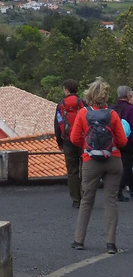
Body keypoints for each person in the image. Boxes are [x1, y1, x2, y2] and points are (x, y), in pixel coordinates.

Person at [70, 77, 128, 253]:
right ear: (105, 96)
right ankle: (111, 244)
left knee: (87, 200)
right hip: (113, 160)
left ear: (89, 95)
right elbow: (123, 141)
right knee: (111, 201)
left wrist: (87, 146)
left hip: (90, 161)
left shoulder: (83, 113)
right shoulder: (113, 115)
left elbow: (74, 138)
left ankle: (79, 240)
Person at [54, 79, 85, 208]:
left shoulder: (61, 105)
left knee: (72, 172)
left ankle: (76, 200)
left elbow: (57, 124)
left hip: (68, 142)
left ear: (66, 90)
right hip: (83, 142)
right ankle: (85, 198)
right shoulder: (83, 103)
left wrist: (59, 142)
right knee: (84, 170)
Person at [112, 85, 133, 201]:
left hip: (113, 142)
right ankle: (119, 191)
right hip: (127, 143)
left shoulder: (112, 108)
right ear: (128, 95)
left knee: (120, 166)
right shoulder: (130, 109)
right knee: (126, 166)